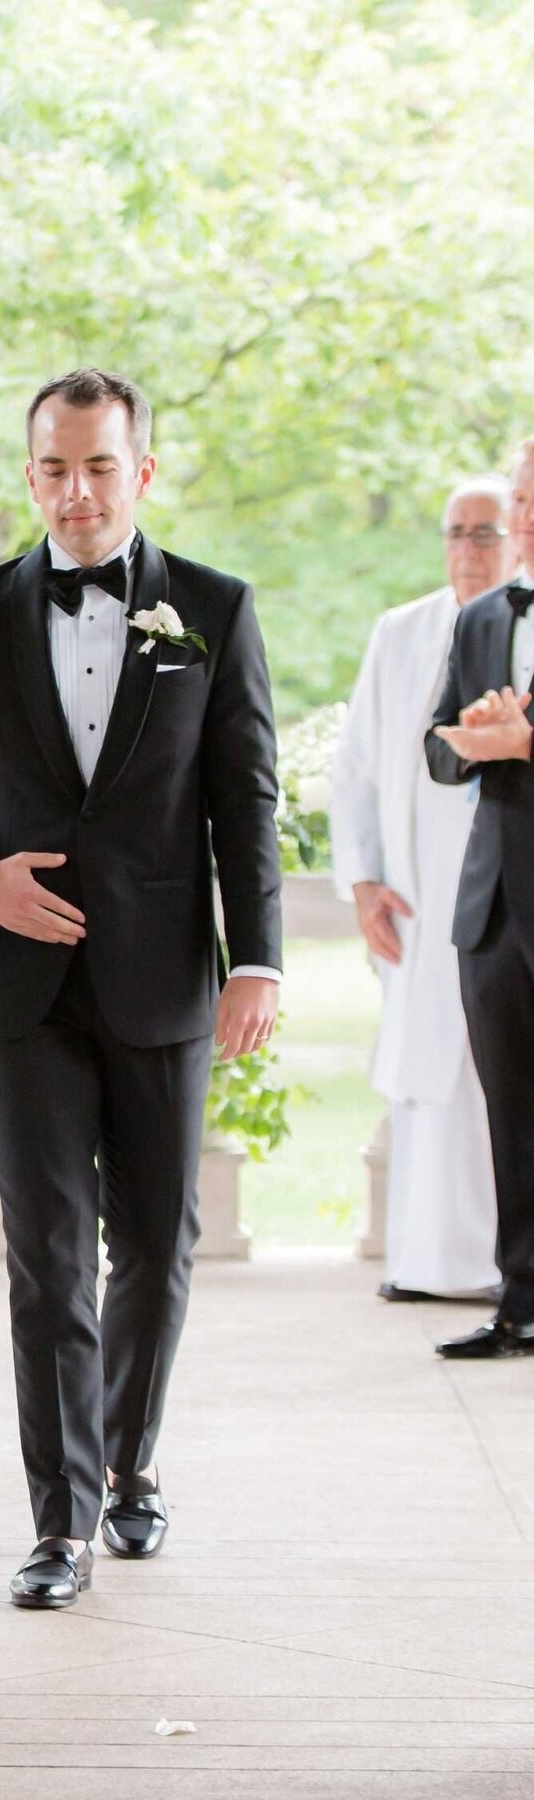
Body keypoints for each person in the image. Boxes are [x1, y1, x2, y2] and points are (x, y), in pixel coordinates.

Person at [0, 369, 282, 1609]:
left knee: (158, 1243)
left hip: (165, 977)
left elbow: (245, 800)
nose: (76, 491)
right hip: (21, 987)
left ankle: (132, 1466)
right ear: (30, 475)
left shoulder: (215, 609)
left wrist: (258, 956)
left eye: (99, 466)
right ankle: (57, 1524)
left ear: (142, 472)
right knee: (46, 1259)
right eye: (54, 468)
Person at [331, 477, 515, 1303]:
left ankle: (499, 1266)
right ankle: (429, 1261)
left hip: (501, 890)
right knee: (424, 1074)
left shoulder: (520, 625)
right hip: (413, 895)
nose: (468, 551)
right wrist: (364, 881)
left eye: (486, 533)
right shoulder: (401, 630)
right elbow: (361, 765)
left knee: (495, 1075)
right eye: (455, 534)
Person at [425, 439, 534, 1359]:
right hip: (494, 908)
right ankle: (522, 1304)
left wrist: (524, 743)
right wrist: (475, 739)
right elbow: (435, 744)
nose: (527, 516)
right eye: (525, 498)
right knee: (514, 1115)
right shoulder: (484, 616)